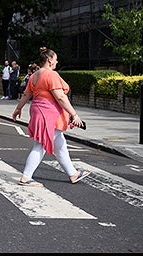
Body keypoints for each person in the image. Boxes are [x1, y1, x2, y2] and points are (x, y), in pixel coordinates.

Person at [12, 47, 90, 186]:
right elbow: (60, 97)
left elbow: (26, 94)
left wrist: (18, 109)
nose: (57, 61)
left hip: (38, 109)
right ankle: (26, 177)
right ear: (49, 60)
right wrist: (74, 115)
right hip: (47, 112)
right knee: (41, 144)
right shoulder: (51, 75)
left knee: (60, 143)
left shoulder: (34, 75)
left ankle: (73, 174)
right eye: (55, 59)